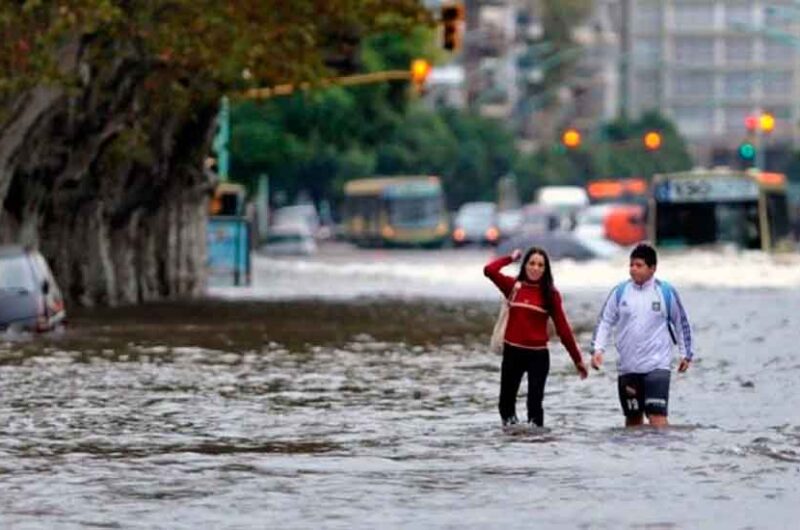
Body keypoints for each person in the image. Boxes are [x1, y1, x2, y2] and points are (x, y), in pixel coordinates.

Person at [590, 242, 694, 428]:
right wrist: (598, 350)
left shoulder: (665, 292)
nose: (633, 270)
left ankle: (667, 455)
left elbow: (681, 323)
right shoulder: (620, 292)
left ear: (652, 268)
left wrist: (686, 353)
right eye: (631, 265)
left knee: (657, 420)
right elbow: (605, 321)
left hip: (657, 366)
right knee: (633, 423)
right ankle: (634, 457)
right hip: (628, 368)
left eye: (638, 265)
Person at [484, 247, 588, 427]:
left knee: (534, 406)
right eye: (532, 263)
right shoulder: (513, 287)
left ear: (545, 269)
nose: (535, 268)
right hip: (512, 354)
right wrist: (511, 258)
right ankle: (513, 442)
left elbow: (563, 330)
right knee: (505, 405)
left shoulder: (551, 295)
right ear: (525, 266)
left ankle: (536, 447)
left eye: (541, 265)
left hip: (537, 357)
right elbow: (489, 270)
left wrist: (577, 360)